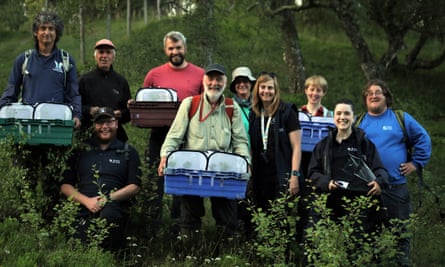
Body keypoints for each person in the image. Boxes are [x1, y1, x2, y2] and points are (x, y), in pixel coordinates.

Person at [158, 63, 250, 240]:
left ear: (225, 82)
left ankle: (227, 254)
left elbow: (240, 141)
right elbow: (174, 136)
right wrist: (165, 156)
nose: (214, 83)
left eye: (219, 79)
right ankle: (189, 252)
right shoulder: (190, 104)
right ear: (203, 80)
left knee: (228, 218)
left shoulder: (232, 108)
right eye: (211, 78)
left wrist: (246, 164)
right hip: (192, 171)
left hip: (223, 170)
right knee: (189, 218)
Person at [355, 79, 432, 266]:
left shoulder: (400, 118)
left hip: (394, 186)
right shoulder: (358, 121)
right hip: (365, 187)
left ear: (386, 97)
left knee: (400, 233)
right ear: (365, 99)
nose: (374, 95)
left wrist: (416, 163)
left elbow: (423, 139)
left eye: (378, 92)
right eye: (369, 93)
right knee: (366, 234)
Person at [139, 31, 205, 235]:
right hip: (159, 136)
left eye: (178, 48)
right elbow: (144, 104)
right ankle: (152, 230)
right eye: (171, 48)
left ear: (185, 48)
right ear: (165, 50)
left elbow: (205, 106)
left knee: (183, 182)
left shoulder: (200, 74)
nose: (175, 51)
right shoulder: (153, 74)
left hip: (188, 138)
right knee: (154, 180)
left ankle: (180, 228)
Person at [307, 98, 389, 262]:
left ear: (353, 117)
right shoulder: (323, 145)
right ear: (333, 117)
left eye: (346, 113)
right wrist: (326, 182)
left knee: (356, 248)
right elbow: (312, 173)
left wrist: (380, 181)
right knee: (321, 247)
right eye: (338, 113)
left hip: (358, 203)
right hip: (329, 202)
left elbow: (380, 168)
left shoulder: (364, 143)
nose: (342, 117)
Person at [61, 107, 142, 251]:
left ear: (116, 124)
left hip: (114, 206)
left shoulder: (128, 152)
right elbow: (65, 186)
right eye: (100, 123)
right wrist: (87, 202)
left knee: (110, 219)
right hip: (83, 206)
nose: (105, 127)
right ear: (94, 126)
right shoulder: (80, 151)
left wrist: (107, 199)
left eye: (109, 122)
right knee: (79, 247)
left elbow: (134, 186)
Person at [0, 10, 81, 128]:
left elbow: (73, 93)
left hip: (57, 123)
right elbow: (11, 91)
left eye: (51, 28)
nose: (47, 32)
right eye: (43, 28)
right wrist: (2, 108)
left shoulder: (66, 60)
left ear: (56, 32)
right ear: (35, 32)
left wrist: (77, 115)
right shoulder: (23, 60)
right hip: (28, 123)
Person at [249, 72, 302, 210]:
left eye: (270, 88)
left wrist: (294, 175)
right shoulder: (254, 113)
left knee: (280, 214)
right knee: (261, 211)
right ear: (257, 89)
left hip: (281, 172)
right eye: (263, 87)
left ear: (276, 90)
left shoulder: (287, 111)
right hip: (260, 173)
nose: (266, 91)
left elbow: (296, 146)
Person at [78, 39, 131, 142]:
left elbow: (128, 112)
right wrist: (89, 110)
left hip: (115, 136)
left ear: (113, 57)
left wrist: (120, 114)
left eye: (108, 52)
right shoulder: (85, 80)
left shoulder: (121, 81)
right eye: (101, 52)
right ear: (95, 56)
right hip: (89, 135)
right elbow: (75, 107)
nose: (104, 56)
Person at [229, 66, 256, 238]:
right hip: (236, 159)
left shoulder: (260, 106)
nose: (242, 85)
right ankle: (235, 236)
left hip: (257, 159)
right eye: (238, 82)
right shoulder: (228, 107)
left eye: (245, 81)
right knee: (237, 199)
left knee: (253, 199)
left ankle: (251, 237)